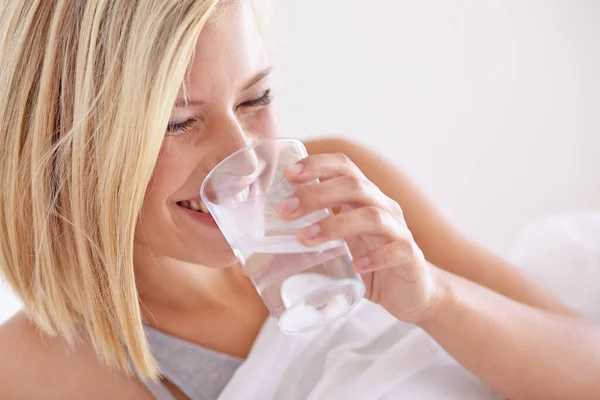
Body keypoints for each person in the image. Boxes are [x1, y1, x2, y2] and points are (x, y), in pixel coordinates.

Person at [0, 1, 598, 399]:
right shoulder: (36, 366)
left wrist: (435, 301)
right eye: (178, 124)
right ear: (64, 148)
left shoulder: (336, 186)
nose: (245, 156)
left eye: (256, 98)